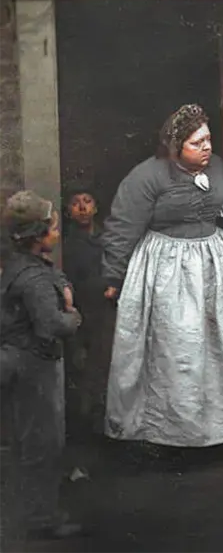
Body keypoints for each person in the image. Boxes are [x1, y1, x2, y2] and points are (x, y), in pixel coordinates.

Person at [102, 104, 223, 448]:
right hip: (168, 268)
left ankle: (217, 431)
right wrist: (114, 278)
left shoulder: (216, 167)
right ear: (175, 147)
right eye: (196, 143)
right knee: (176, 349)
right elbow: (122, 227)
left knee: (216, 347)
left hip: (211, 264)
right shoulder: (147, 176)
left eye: (208, 139)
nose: (207, 148)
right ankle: (166, 435)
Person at [0, 191, 83, 540]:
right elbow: (50, 326)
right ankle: (41, 518)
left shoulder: (22, 264)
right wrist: (73, 315)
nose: (56, 232)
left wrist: (61, 287)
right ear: (36, 236)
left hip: (23, 361)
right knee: (42, 445)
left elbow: (52, 278)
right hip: (35, 365)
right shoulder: (33, 280)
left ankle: (34, 511)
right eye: (51, 227)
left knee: (30, 441)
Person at [62, 185, 111, 436]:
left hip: (107, 312)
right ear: (68, 211)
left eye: (87, 201)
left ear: (96, 207)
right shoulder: (66, 245)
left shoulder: (108, 239)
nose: (82, 208)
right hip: (82, 312)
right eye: (75, 202)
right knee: (82, 368)